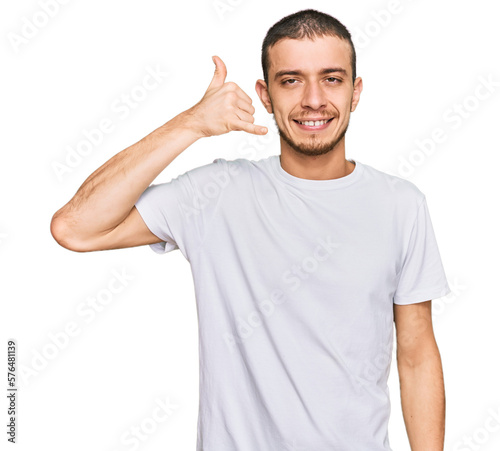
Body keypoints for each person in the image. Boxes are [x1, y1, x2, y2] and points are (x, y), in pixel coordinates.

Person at [51, 8, 450, 451]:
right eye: (291, 80)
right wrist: (191, 124)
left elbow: (415, 355)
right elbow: (75, 227)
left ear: (356, 92)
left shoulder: (400, 205)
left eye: (332, 79)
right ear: (265, 93)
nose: (313, 99)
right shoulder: (217, 193)